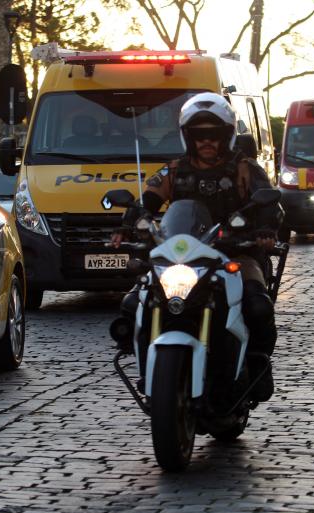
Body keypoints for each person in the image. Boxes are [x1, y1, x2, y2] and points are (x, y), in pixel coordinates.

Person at [110, 92, 281, 402]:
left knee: (257, 304)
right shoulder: (173, 170)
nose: (207, 142)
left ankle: (258, 364)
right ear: (187, 136)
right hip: (182, 253)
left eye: (214, 135)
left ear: (227, 136)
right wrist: (130, 222)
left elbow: (268, 200)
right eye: (199, 135)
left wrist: (267, 227)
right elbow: (145, 200)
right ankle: (148, 363)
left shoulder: (245, 167)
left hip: (235, 251)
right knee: (134, 302)